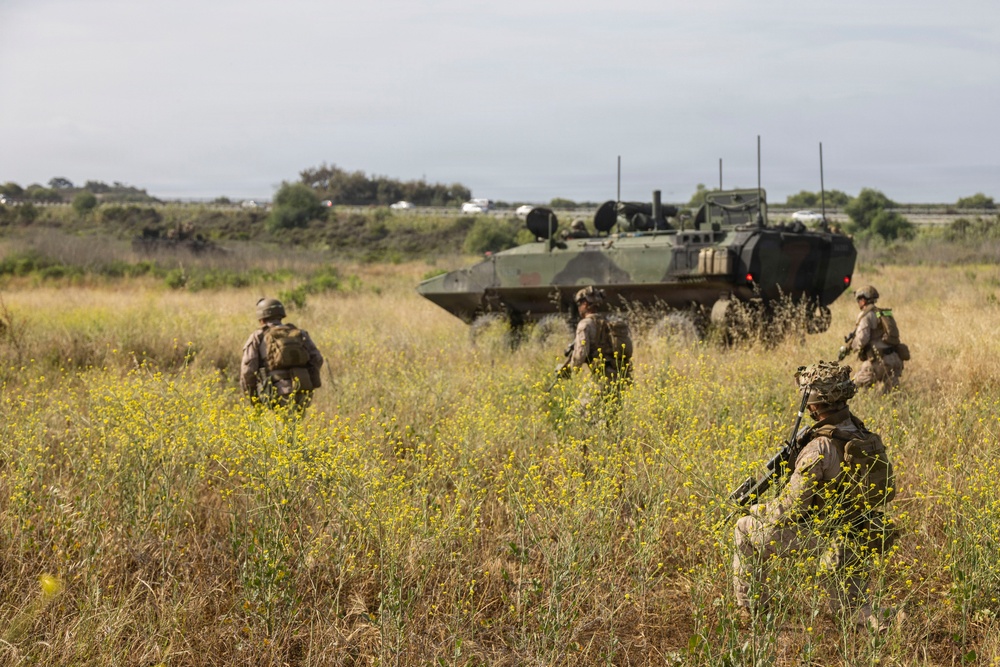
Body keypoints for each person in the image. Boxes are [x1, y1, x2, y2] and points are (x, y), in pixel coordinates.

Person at [733, 361, 896, 630]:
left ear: (814, 404)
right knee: (853, 613)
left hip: (823, 535)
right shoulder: (863, 434)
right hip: (860, 531)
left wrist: (756, 510)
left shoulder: (819, 447)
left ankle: (752, 612)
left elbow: (791, 508)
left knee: (743, 531)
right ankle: (891, 619)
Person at [240, 297, 324, 411]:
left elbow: (248, 371)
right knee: (295, 426)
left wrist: (253, 398)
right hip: (302, 391)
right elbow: (317, 359)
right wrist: (310, 383)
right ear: (281, 315)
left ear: (261, 319)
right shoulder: (299, 333)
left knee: (279, 428)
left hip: (276, 393)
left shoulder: (258, 336)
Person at [565, 286, 632, 384]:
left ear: (585, 304)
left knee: (584, 399)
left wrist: (571, 370)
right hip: (620, 377)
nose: (579, 308)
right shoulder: (607, 323)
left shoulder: (584, 324)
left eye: (579, 304)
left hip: (602, 379)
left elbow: (581, 353)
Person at [846, 285, 906, 392]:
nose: (858, 302)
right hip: (895, 359)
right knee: (892, 395)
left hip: (878, 362)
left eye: (859, 299)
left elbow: (862, 339)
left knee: (853, 386)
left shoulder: (866, 316)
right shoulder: (881, 313)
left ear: (864, 300)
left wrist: (850, 347)